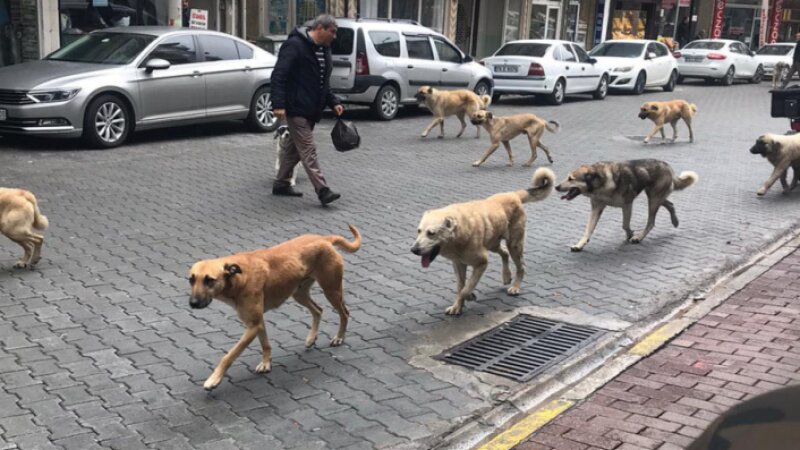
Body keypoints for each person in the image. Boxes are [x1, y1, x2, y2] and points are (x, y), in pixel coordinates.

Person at [271, 14, 344, 206]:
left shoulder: (325, 50)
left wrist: (333, 101)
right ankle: (323, 190)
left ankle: (281, 184)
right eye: (332, 32)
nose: (334, 36)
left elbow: (322, 82)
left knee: (294, 150)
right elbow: (279, 74)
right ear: (320, 28)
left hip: (312, 109)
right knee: (308, 149)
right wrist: (278, 103)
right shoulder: (295, 45)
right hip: (296, 108)